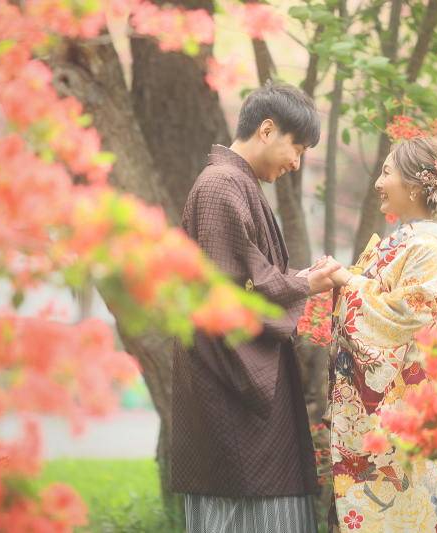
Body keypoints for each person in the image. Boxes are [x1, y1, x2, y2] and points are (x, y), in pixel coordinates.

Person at [171, 80, 341, 533]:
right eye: (297, 148)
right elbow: (228, 297)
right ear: (267, 130)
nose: (297, 162)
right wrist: (302, 285)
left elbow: (249, 282)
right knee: (243, 508)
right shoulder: (221, 186)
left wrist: (302, 282)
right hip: (228, 388)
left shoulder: (234, 183)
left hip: (234, 385)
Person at [321, 136, 437, 533]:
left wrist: (349, 282)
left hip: (399, 421)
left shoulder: (424, 246)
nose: (378, 181)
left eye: (386, 172)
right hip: (378, 417)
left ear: (413, 186)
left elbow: (403, 313)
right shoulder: (405, 245)